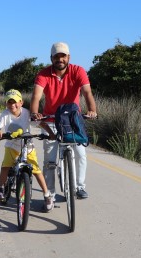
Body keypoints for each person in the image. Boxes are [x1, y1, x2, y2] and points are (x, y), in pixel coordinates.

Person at [30, 42, 97, 201]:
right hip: (51, 120)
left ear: (68, 57)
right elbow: (36, 96)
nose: (60, 59)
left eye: (63, 56)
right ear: (51, 58)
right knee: (50, 160)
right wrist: (34, 113)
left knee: (80, 154)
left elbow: (87, 92)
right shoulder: (43, 74)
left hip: (72, 120)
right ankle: (50, 194)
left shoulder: (78, 71)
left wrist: (92, 110)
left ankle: (79, 187)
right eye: (56, 56)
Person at [0, 89, 56, 212]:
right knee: (5, 166)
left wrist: (50, 133)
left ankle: (47, 195)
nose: (12, 105)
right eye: (9, 102)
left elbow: (41, 123)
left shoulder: (27, 113)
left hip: (28, 146)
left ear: (21, 102)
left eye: (15, 102)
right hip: (12, 146)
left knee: (36, 170)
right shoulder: (5, 114)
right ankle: (1, 187)